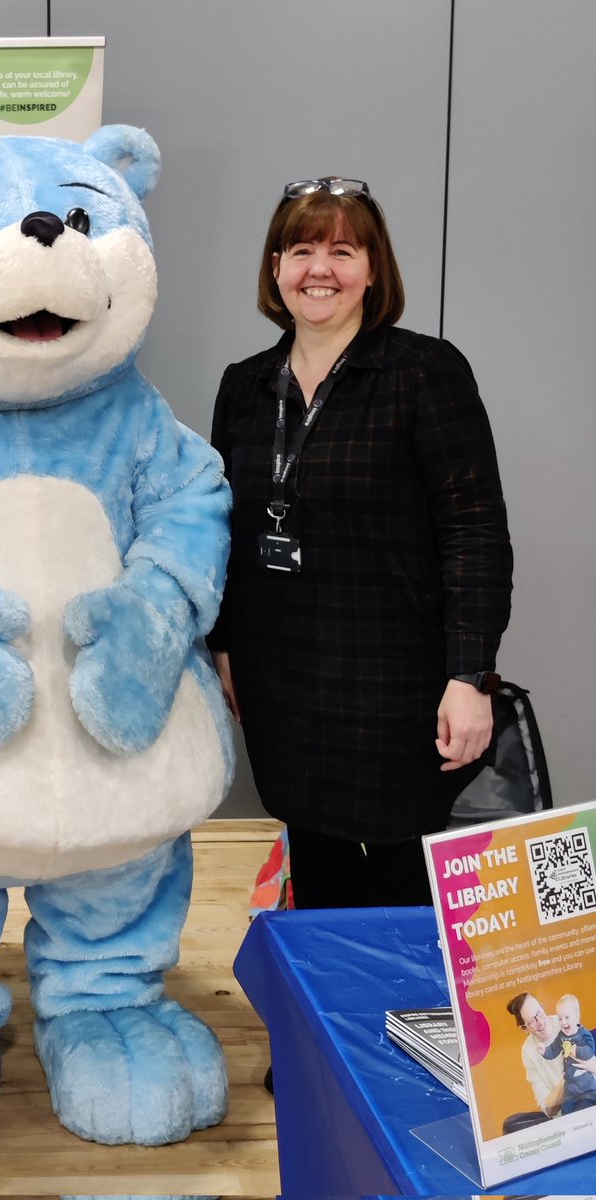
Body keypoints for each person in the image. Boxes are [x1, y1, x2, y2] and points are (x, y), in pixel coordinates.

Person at [208, 177, 513, 908]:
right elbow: (219, 522)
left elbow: (474, 531)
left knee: (406, 878)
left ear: (373, 271)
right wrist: (222, 646)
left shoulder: (422, 372)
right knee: (315, 856)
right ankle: (328, 1017)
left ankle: (408, 1019)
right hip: (280, 673)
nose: (320, 268)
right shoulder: (245, 385)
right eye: (301, 248)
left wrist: (468, 676)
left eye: (342, 250)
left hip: (397, 684)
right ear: (275, 267)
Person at [503, 991, 564, 1131]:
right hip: (562, 1117)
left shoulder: (565, 1022)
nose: (540, 1022)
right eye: (532, 1021)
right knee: (510, 1124)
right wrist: (566, 1080)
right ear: (524, 1029)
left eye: (539, 1013)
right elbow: (548, 1108)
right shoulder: (528, 1051)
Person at [540, 993, 596, 1113]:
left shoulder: (584, 1034)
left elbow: (590, 1050)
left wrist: (577, 1051)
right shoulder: (561, 1036)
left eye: (567, 1017)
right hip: (570, 1084)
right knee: (567, 1109)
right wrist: (545, 1051)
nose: (563, 1022)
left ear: (577, 1017)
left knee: (590, 1102)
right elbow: (553, 1049)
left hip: (585, 1082)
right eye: (560, 1019)